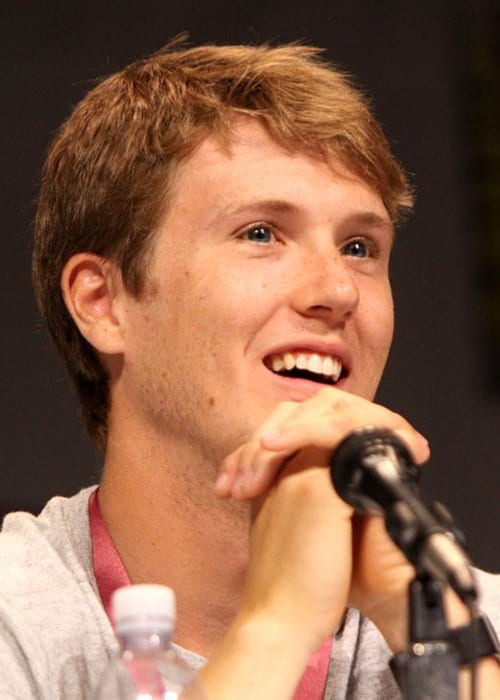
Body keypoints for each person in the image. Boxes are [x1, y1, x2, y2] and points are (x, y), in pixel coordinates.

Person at [1, 39, 498, 699]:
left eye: (359, 246)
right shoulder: (16, 620)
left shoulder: (466, 620)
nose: (338, 290)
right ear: (104, 302)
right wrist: (275, 629)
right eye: (261, 233)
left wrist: (443, 638)